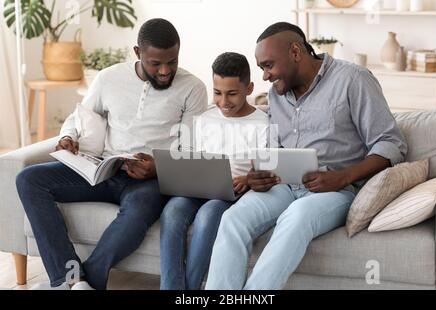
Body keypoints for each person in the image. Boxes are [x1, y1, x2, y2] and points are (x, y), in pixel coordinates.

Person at [205, 22, 408, 290]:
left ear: (296, 52)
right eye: (262, 68)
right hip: (283, 185)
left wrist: (341, 177)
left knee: (298, 215)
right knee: (233, 219)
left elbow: (391, 143)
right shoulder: (277, 94)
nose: (265, 76)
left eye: (269, 65)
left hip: (335, 190)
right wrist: (258, 174)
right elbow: (272, 149)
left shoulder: (353, 79)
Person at [15, 18, 207, 290]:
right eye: (156, 63)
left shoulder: (192, 88)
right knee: (29, 180)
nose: (165, 71)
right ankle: (69, 279)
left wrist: (157, 168)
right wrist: (68, 136)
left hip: (152, 180)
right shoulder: (109, 78)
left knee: (137, 212)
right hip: (104, 170)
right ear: (138, 53)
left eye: (172, 61)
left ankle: (78, 283)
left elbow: (190, 152)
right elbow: (79, 117)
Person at [159, 52, 268, 290]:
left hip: (231, 192)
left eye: (232, 93)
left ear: (249, 88)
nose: (223, 101)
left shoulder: (263, 123)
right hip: (199, 187)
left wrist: (248, 180)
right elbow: (194, 158)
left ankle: (190, 289)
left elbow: (267, 169)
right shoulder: (205, 119)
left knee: (208, 214)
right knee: (172, 211)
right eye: (217, 93)